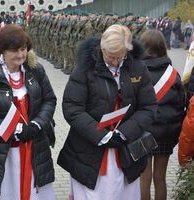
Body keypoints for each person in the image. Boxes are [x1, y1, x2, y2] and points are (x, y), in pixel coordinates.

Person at [57, 24, 157, 200]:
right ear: (102, 49)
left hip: (127, 149)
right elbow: (72, 108)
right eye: (111, 57)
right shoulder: (85, 68)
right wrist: (101, 135)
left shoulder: (138, 67)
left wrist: (124, 133)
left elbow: (148, 107)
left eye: (121, 57)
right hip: (89, 150)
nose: (116, 62)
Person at [0, 24, 56, 200]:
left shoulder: (35, 70)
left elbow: (49, 100)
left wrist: (37, 124)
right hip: (3, 152)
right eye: (14, 51)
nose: (20, 55)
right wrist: (15, 131)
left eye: (23, 49)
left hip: (35, 145)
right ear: (2, 51)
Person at [139, 29, 186, 200]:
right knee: (160, 178)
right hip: (166, 133)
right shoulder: (173, 74)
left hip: (142, 131)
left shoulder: (136, 73)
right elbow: (181, 105)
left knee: (144, 178)